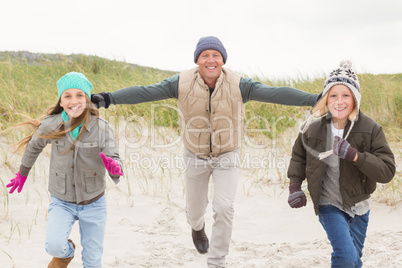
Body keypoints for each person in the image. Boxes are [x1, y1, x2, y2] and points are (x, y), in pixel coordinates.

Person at [91, 36, 318, 268]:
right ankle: (197, 228)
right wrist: (109, 98)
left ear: (223, 60)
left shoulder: (240, 85)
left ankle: (216, 262)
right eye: (205, 55)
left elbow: (275, 93)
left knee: (224, 207)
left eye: (216, 55)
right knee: (195, 211)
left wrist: (313, 99)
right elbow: (146, 92)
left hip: (227, 154)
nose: (211, 60)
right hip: (195, 154)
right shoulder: (180, 83)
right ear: (197, 60)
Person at [6, 72, 124, 268]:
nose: (74, 101)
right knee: (53, 246)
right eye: (67, 96)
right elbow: (34, 146)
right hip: (62, 200)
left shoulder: (101, 127)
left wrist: (114, 168)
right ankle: (67, 253)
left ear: (87, 99)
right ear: (61, 101)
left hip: (94, 202)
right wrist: (22, 174)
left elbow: (114, 157)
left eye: (80, 95)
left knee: (93, 260)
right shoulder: (51, 124)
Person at [287, 60, 395, 268]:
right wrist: (294, 187)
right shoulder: (312, 129)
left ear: (355, 99)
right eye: (333, 95)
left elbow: (387, 171)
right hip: (329, 205)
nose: (339, 101)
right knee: (345, 256)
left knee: (354, 261)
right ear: (325, 100)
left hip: (360, 207)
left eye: (346, 95)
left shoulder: (370, 128)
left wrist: (355, 156)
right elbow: (298, 158)